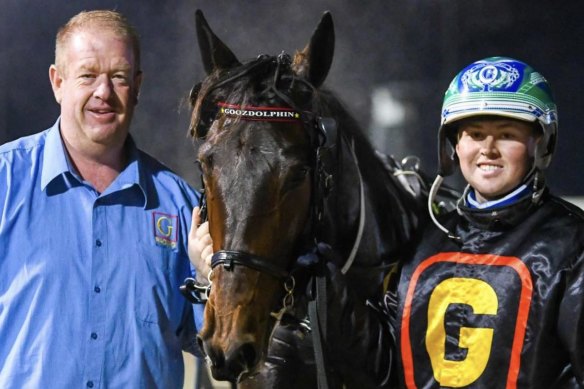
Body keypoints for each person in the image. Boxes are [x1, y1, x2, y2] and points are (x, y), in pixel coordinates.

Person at [191, 56, 584, 388]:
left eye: (507, 134)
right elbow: (385, 368)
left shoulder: (571, 244)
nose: (487, 149)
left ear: (541, 142)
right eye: (475, 133)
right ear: (454, 146)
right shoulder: (429, 239)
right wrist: (328, 286)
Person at [0, 10, 204, 388]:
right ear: (58, 82)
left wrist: (213, 282)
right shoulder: (6, 181)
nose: (104, 93)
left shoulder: (183, 208)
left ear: (138, 86)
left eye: (119, 77)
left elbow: (223, 350)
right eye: (88, 75)